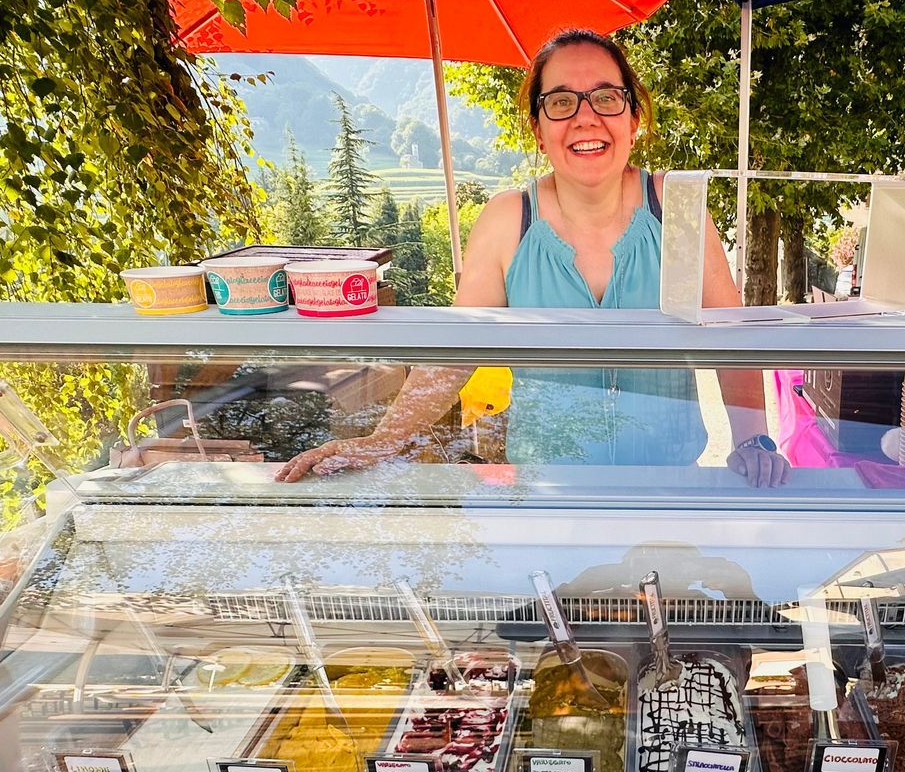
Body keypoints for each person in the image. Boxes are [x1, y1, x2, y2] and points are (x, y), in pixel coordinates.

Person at [275, 27, 788, 486]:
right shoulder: (507, 221)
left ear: (633, 118)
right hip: (546, 495)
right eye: (561, 102)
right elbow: (453, 355)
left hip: (669, 491)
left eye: (606, 98)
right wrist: (382, 440)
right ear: (539, 130)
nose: (586, 117)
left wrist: (752, 439)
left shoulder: (677, 212)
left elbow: (730, 341)